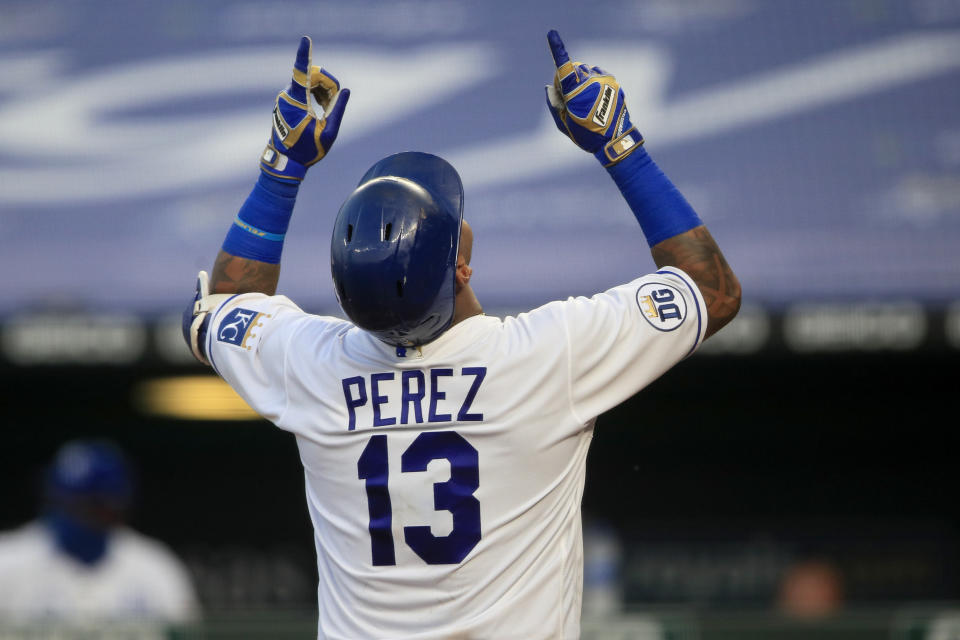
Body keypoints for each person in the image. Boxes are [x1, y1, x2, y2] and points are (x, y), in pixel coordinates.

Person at [183, 30, 740, 639]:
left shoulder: (313, 366)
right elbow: (712, 290)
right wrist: (619, 145)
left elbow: (226, 303)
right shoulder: (547, 357)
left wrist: (281, 170)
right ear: (461, 266)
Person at [0, 439, 200, 627]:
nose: (77, 512)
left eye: (92, 505)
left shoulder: (155, 567)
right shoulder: (7, 561)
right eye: (71, 502)